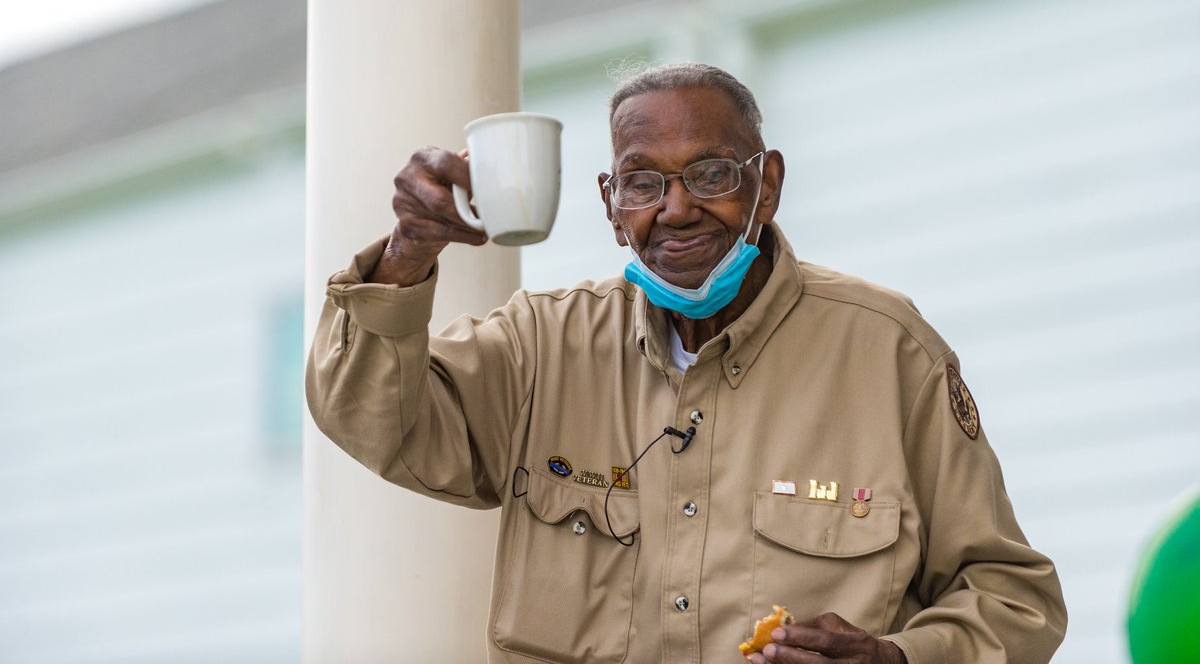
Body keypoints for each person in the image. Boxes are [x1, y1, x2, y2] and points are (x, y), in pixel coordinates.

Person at [306, 63, 1067, 663]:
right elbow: (370, 419)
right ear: (611, 205)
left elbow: (1015, 598)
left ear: (767, 185)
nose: (674, 209)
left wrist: (897, 657)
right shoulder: (541, 345)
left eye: (710, 174)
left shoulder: (889, 350)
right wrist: (408, 253)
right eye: (643, 182)